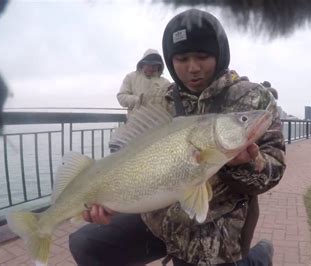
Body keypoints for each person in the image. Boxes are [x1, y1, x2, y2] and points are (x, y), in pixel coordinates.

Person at [70, 9, 286, 265]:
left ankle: (258, 258)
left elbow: (275, 168)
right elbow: (130, 153)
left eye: (203, 56)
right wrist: (113, 198)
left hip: (216, 231)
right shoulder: (160, 99)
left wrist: (245, 164)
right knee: (86, 243)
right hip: (159, 221)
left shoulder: (254, 99)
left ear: (220, 54)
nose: (192, 68)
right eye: (182, 58)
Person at [116, 49, 170, 115]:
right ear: (143, 64)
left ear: (159, 66)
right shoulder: (131, 77)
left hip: (160, 122)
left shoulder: (166, 83)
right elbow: (121, 97)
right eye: (148, 65)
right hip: (137, 123)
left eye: (154, 65)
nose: (151, 68)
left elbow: (170, 103)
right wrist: (138, 100)